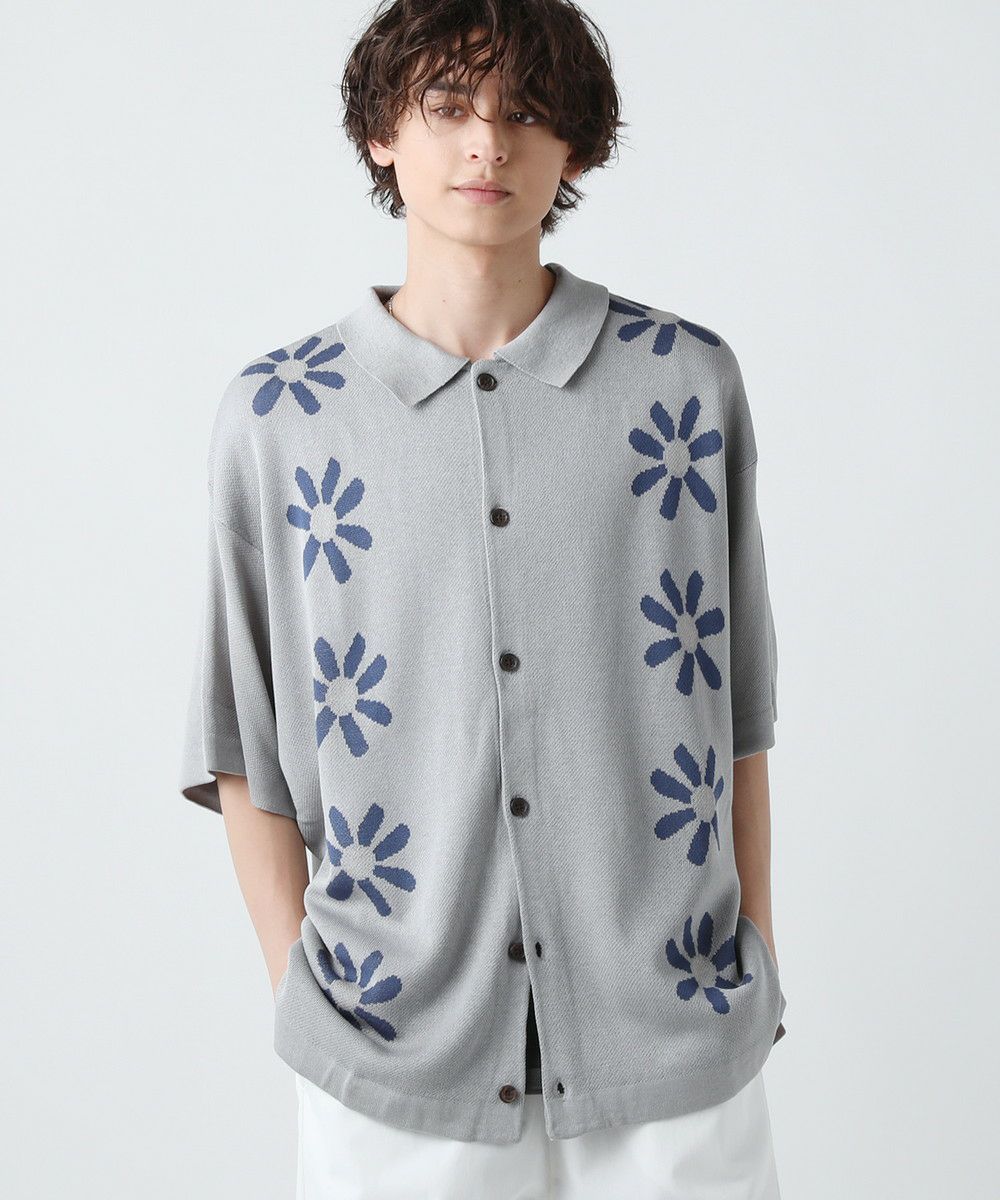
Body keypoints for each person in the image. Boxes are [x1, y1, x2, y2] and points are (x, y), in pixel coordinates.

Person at [179, 1, 787, 1196]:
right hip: (389, 1049)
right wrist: (299, 984)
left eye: (526, 112)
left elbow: (737, 718)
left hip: (673, 1037)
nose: (487, 144)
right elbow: (242, 738)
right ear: (380, 134)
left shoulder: (682, 386)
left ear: (578, 146)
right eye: (448, 106)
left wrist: (748, 962)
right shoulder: (282, 417)